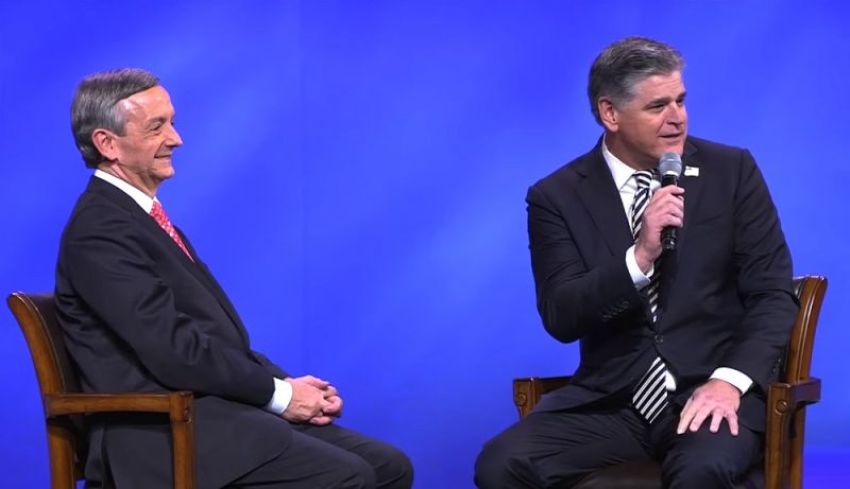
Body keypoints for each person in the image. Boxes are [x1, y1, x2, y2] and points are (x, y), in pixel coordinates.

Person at [55, 68, 413, 489]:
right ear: (107, 143)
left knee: (390, 467)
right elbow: (175, 352)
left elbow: (209, 336)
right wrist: (280, 397)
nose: (176, 138)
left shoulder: (139, 218)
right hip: (162, 433)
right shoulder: (101, 229)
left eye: (171, 121)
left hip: (214, 416)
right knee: (346, 478)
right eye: (157, 127)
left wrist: (286, 386)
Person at [474, 37, 798, 488]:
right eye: (658, 106)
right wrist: (639, 257)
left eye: (681, 101)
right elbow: (562, 315)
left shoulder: (732, 171)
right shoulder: (558, 196)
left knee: (703, 470)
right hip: (612, 403)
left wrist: (729, 381)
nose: (677, 118)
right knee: (500, 464)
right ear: (610, 114)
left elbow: (773, 295)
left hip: (711, 391)